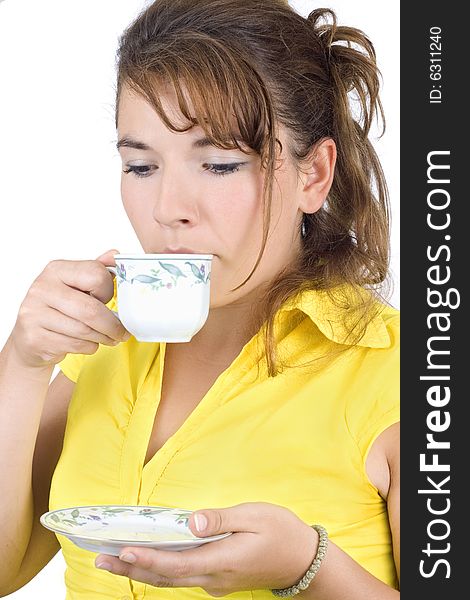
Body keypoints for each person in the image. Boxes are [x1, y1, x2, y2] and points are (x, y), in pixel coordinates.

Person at [0, 0, 399, 598]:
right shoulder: (102, 350)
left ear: (313, 175)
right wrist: (23, 363)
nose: (167, 209)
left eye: (218, 165)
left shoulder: (396, 370)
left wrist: (307, 567)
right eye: (140, 166)